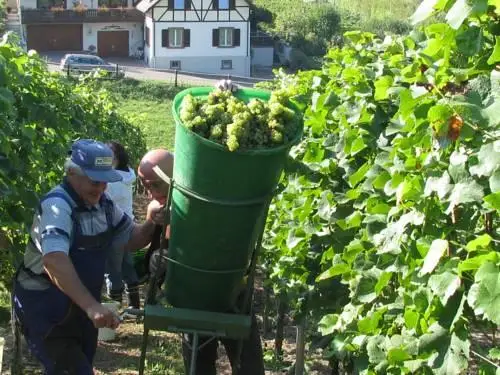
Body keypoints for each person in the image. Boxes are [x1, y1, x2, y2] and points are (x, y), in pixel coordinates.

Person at [12, 139, 165, 375]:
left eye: (105, 181)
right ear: (72, 173)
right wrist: (92, 306)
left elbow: (132, 240)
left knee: (74, 366)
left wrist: (152, 222)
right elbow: (54, 260)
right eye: (95, 181)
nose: (101, 188)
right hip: (45, 307)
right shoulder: (58, 206)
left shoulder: (103, 205)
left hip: (80, 306)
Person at [137, 148, 265, 375]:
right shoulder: (156, 208)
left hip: (229, 290)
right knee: (199, 366)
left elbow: (223, 238)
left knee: (248, 366)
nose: (149, 193)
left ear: (175, 177)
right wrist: (152, 223)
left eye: (155, 185)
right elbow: (137, 243)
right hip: (191, 296)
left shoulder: (207, 198)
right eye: (144, 186)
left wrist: (179, 220)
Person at [104, 141, 140, 308]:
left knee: (113, 270)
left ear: (116, 158)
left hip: (114, 228)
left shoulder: (111, 181)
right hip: (129, 225)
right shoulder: (128, 175)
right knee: (127, 266)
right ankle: (134, 308)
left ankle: (114, 310)